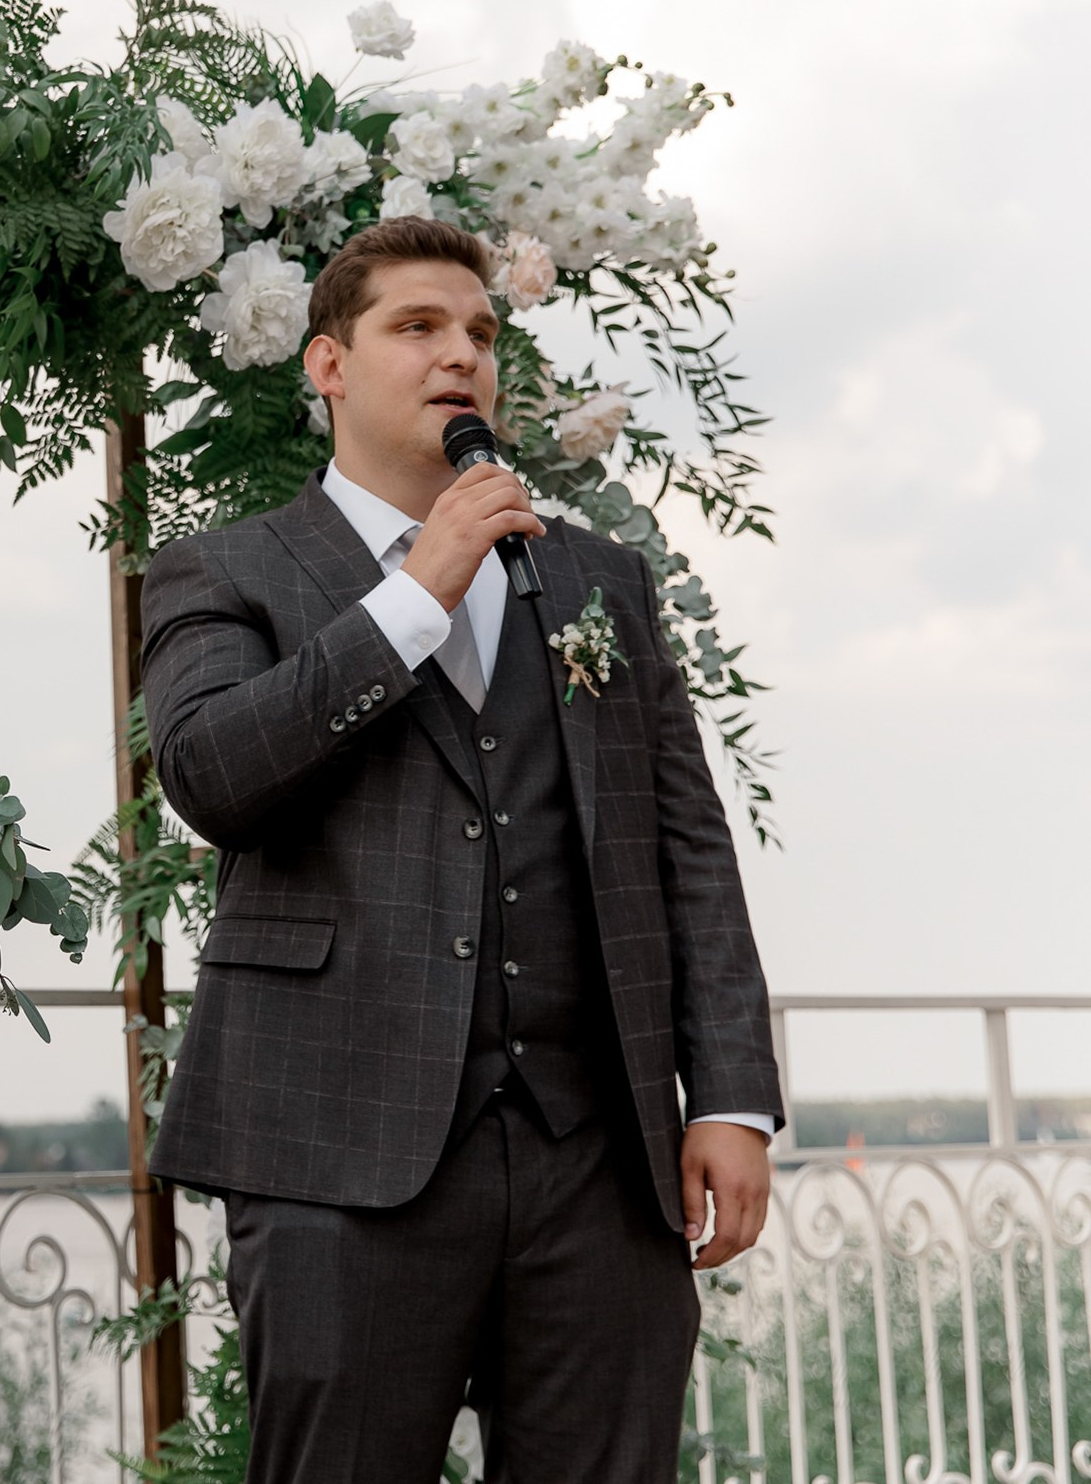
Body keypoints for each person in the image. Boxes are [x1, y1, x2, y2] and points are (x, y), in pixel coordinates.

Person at [139, 217, 782, 1481]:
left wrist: (732, 1097)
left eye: (481, 333)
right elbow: (215, 777)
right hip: (339, 1151)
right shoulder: (225, 569)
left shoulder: (598, 578)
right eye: (418, 328)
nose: (461, 356)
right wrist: (413, 593)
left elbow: (689, 847)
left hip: (597, 1155)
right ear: (327, 364)